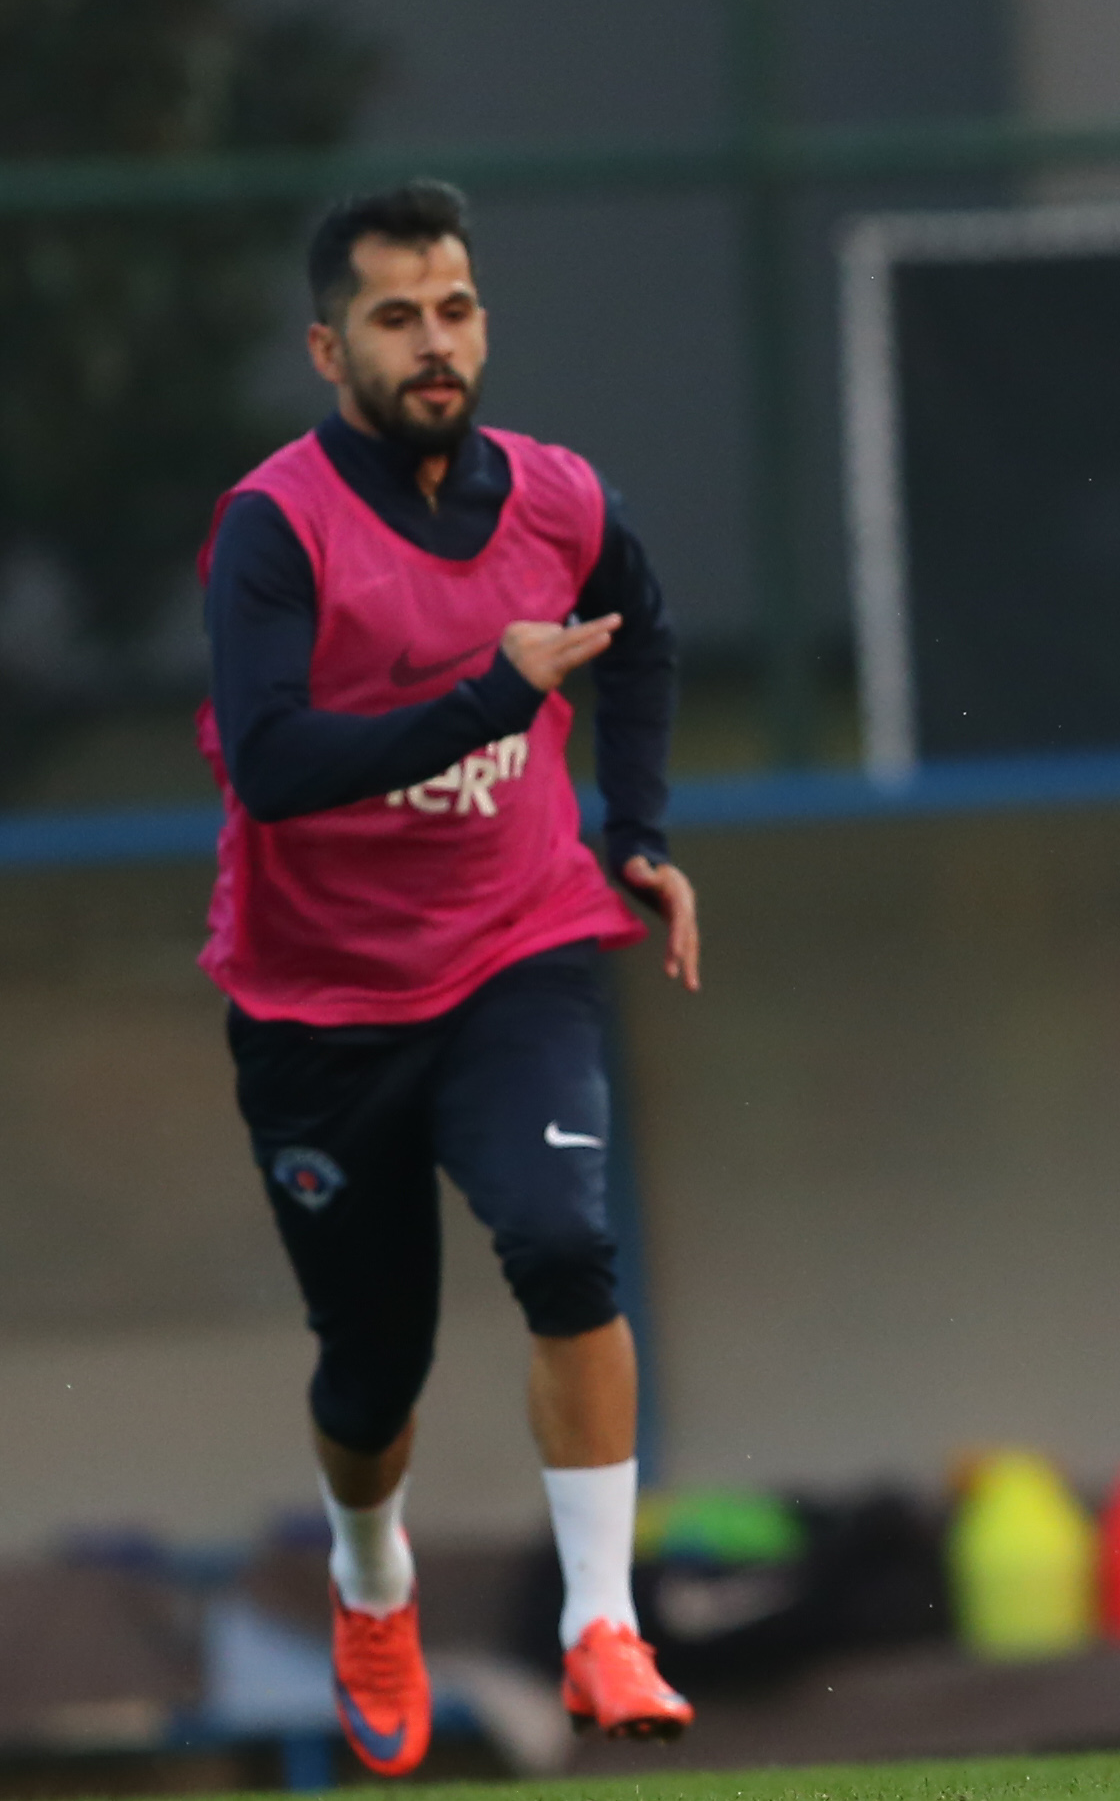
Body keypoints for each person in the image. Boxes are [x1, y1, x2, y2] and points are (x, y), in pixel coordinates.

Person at [198, 180, 699, 1775]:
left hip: (515, 951)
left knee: (564, 1243)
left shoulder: (558, 497)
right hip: (316, 1007)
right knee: (373, 1368)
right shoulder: (276, 526)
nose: (436, 342)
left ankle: (603, 1624)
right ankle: (372, 1584)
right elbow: (273, 765)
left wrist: (636, 832)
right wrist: (493, 693)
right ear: (327, 347)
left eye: (458, 308)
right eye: (398, 316)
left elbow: (643, 632)